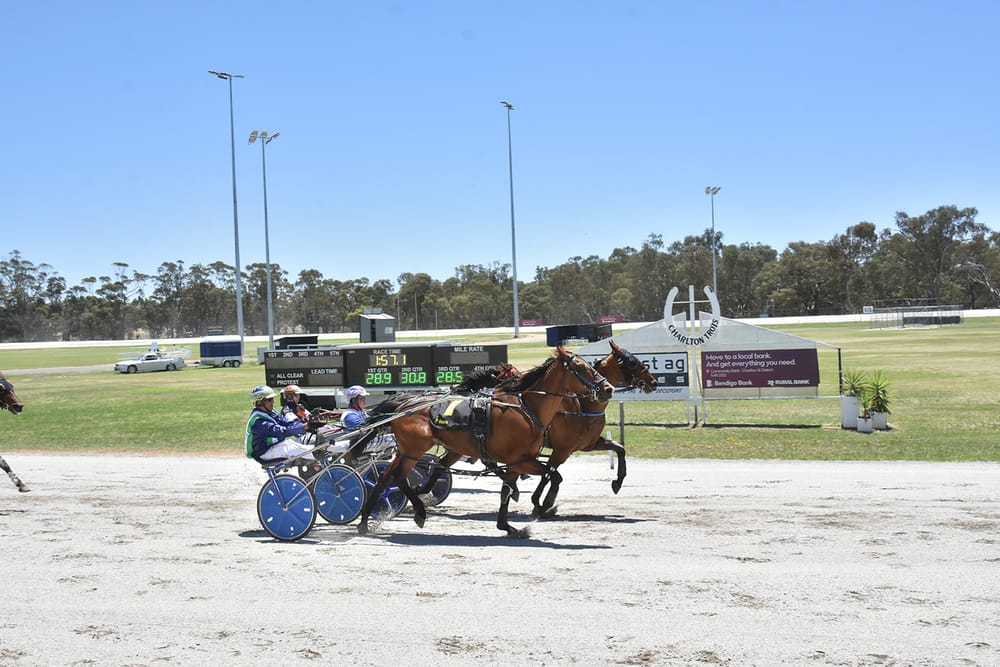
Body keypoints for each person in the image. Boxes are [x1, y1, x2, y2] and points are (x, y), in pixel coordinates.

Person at [244, 385, 322, 462]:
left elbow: (287, 424)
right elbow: (282, 432)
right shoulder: (258, 421)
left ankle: (319, 453)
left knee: (298, 441)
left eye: (272, 399)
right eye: (269, 399)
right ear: (260, 402)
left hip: (274, 446)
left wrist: (309, 426)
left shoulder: (270, 412)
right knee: (286, 446)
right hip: (264, 453)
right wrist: (305, 427)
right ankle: (319, 453)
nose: (273, 402)